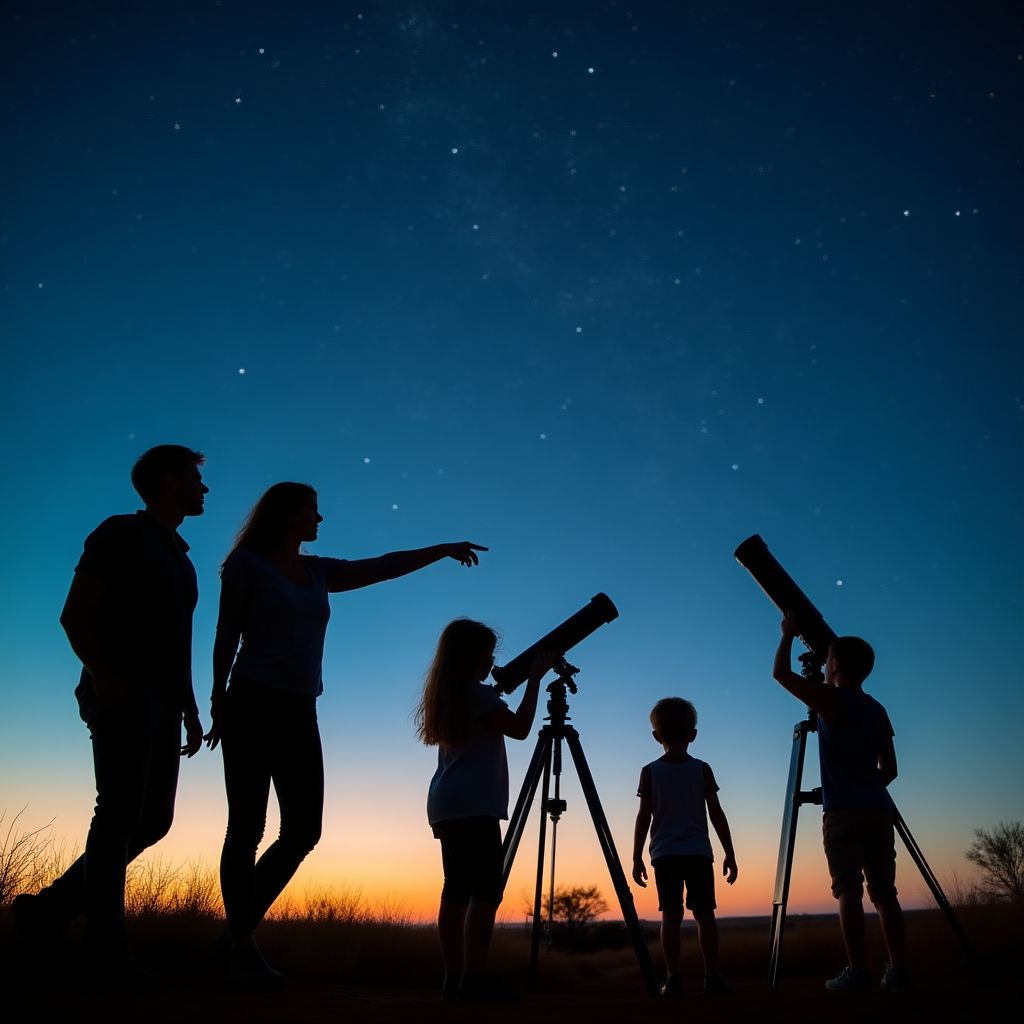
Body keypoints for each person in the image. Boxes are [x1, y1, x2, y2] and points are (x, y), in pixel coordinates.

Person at [203, 481, 487, 987]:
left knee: (303, 830)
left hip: (299, 709)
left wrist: (441, 550)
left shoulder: (316, 571)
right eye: (313, 511)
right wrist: (217, 699)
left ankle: (234, 936)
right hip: (251, 702)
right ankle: (241, 947)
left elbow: (380, 566)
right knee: (246, 827)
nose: (320, 519)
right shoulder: (247, 565)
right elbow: (226, 633)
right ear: (288, 515)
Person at [11, 444, 208, 984]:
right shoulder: (120, 533)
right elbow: (75, 614)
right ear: (169, 481)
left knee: (153, 820)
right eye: (196, 478)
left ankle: (46, 911)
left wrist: (188, 706)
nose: (204, 489)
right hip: (124, 695)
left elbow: (178, 642)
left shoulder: (182, 557)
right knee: (119, 813)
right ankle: (105, 954)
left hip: (164, 702)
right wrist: (106, 677)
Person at [414, 618, 555, 1004]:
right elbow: (522, 728)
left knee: (456, 891)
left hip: (447, 803)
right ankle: (474, 979)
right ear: (471, 657)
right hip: (474, 804)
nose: (492, 658)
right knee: (486, 892)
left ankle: (453, 979)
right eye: (487, 652)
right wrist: (535, 680)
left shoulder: (454, 693)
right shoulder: (477, 697)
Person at [772, 610, 908, 992]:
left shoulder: (830, 699)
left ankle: (858, 971)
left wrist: (786, 633)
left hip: (843, 812)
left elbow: (781, 675)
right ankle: (897, 971)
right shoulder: (878, 709)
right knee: (884, 893)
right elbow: (891, 770)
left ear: (830, 664)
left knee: (847, 889)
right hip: (878, 810)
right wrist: (866, 786)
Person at [632, 697, 737, 998]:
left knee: (671, 916)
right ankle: (712, 976)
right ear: (693, 734)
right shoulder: (702, 769)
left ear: (656, 737)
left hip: (664, 855)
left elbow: (643, 816)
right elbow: (716, 812)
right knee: (705, 915)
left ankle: (673, 978)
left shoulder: (650, 771)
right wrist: (729, 851)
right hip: (698, 854)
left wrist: (637, 855)